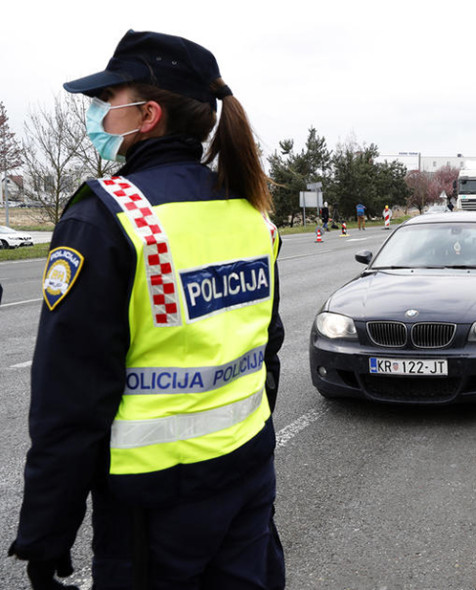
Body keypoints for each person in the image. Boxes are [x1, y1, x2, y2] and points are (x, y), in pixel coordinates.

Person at [9, 30, 286, 589]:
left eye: (108, 100)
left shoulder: (109, 218)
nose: (97, 113)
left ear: (148, 114)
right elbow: (265, 351)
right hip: (247, 477)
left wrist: (46, 533)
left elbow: (71, 403)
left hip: (154, 505)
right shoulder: (250, 212)